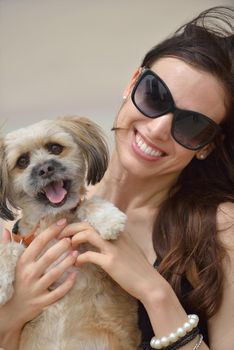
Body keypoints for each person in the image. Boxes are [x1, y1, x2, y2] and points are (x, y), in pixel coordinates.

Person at [0, 5, 234, 350]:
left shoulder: (219, 228)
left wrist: (153, 290)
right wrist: (12, 316)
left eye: (192, 124)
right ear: (132, 84)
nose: (157, 130)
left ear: (206, 145)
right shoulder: (32, 223)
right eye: (155, 96)